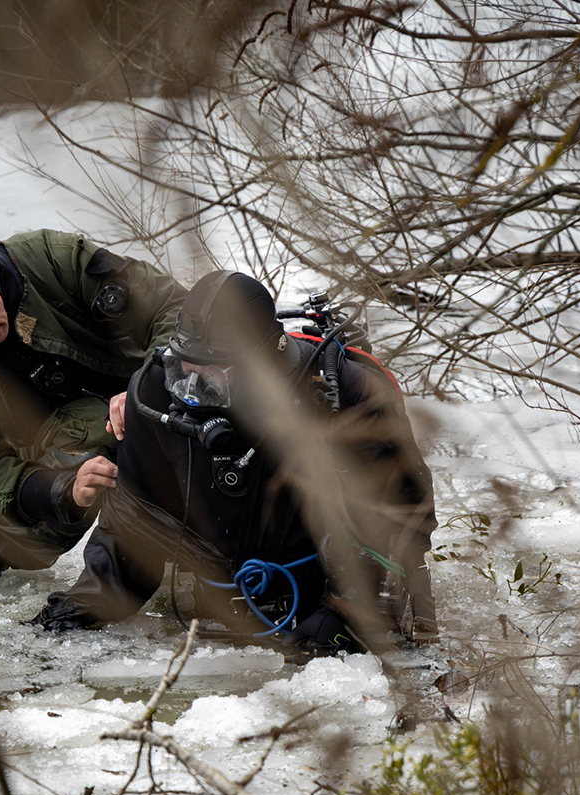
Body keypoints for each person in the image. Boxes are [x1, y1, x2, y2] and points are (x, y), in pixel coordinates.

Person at [31, 271, 438, 652]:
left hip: (321, 584)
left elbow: (400, 523)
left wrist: (345, 612)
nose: (191, 388)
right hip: (222, 592)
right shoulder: (155, 391)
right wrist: (90, 601)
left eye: (212, 372)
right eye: (184, 367)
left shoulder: (344, 395)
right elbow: (137, 520)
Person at [0, 230, 187, 582]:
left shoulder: (53, 257)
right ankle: (13, 532)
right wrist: (59, 490)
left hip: (145, 380)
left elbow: (173, 310)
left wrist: (146, 385)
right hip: (50, 434)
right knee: (79, 463)